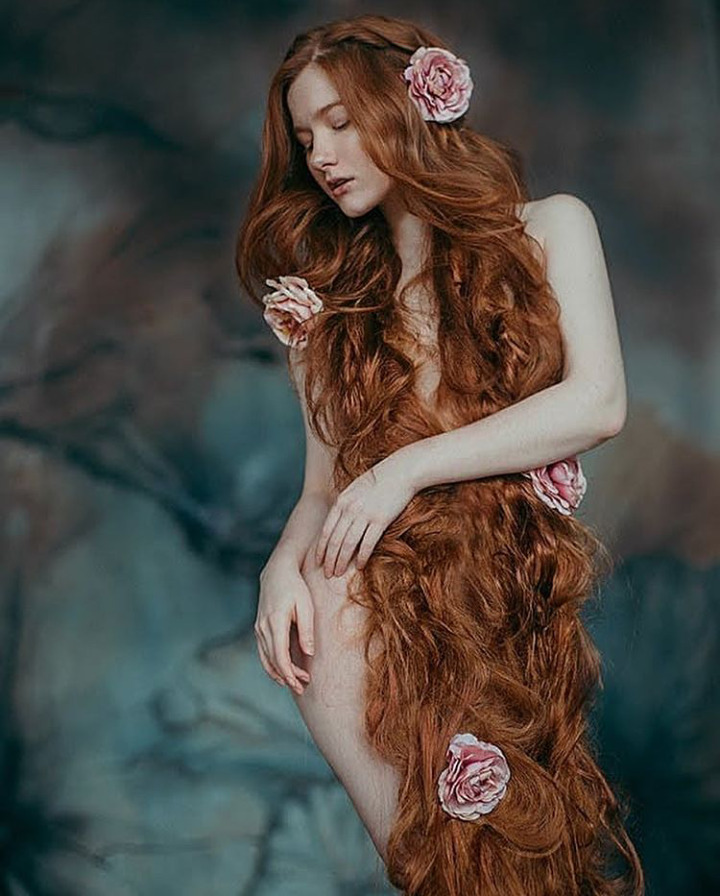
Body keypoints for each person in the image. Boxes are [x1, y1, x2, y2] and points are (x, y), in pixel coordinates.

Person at [235, 13, 644, 896]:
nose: (322, 156)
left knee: (519, 850)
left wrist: (404, 468)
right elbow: (323, 492)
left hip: (499, 582)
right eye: (305, 139)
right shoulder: (330, 316)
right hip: (384, 601)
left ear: (409, 104)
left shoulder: (550, 227)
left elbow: (597, 402)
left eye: (341, 122)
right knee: (436, 864)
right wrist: (277, 569)